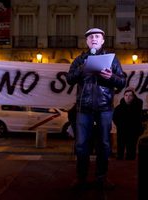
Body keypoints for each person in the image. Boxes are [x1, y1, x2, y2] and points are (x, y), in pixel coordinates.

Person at [66, 28, 126, 190]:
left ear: (102, 41)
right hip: (83, 108)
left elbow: (122, 82)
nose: (94, 39)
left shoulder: (112, 59)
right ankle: (81, 178)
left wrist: (111, 77)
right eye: (91, 37)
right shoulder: (80, 60)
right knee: (81, 144)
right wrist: (81, 69)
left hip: (104, 108)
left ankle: (101, 177)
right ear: (86, 41)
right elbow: (69, 79)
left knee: (104, 144)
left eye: (97, 36)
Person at [113, 87, 143, 160]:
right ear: (124, 96)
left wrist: (138, 129)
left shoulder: (137, 107)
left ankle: (130, 158)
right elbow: (115, 118)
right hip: (122, 130)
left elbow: (140, 119)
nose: (128, 97)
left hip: (133, 131)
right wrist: (120, 126)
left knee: (131, 150)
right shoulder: (118, 108)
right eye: (126, 95)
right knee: (120, 147)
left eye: (130, 95)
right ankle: (120, 157)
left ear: (133, 97)